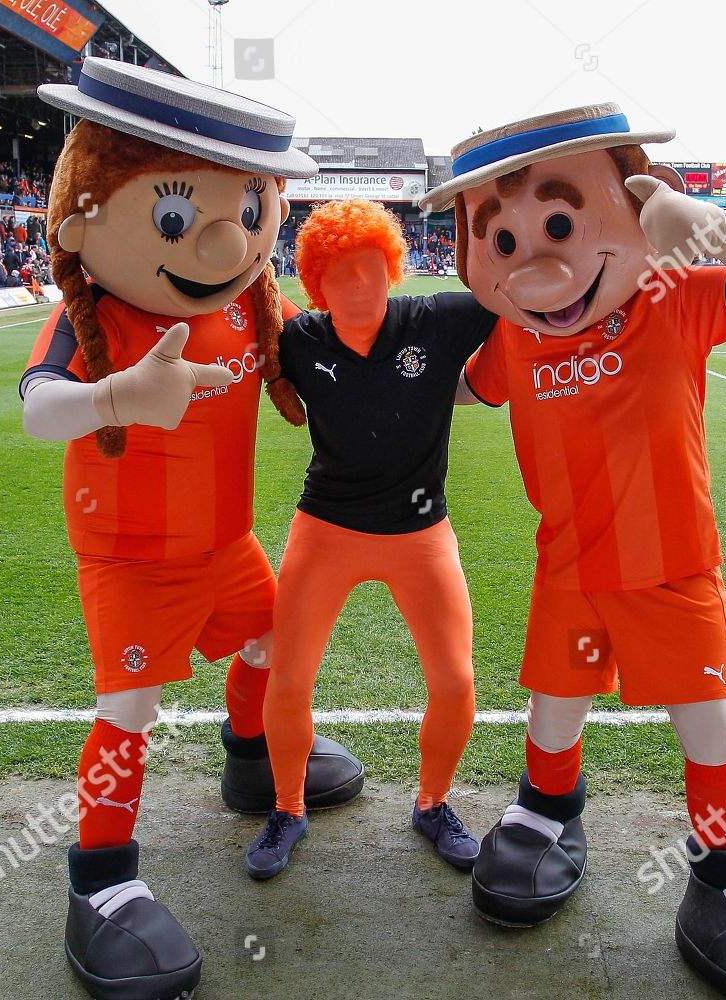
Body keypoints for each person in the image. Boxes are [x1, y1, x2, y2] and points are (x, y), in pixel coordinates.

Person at [430, 103, 726, 999]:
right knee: (555, 702)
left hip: (671, 558)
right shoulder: (515, 334)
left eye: (562, 224)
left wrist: (718, 232)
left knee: (705, 720)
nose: (538, 262)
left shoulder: (669, 298)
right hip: (568, 560)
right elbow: (462, 391)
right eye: (503, 238)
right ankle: (546, 815)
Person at [19, 59, 362, 1000]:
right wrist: (123, 395)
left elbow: (326, 364)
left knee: (273, 636)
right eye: (177, 218)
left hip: (225, 544)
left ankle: (250, 761)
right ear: (83, 218)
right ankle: (101, 881)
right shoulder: (97, 316)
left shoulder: (254, 306)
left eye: (250, 212)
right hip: (132, 557)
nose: (222, 241)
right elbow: (40, 410)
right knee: (129, 712)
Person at [245, 199, 492, 880]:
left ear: (393, 266)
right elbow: (247, 295)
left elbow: (506, 291)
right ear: (317, 284)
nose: (358, 284)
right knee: (289, 678)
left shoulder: (437, 322)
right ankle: (289, 808)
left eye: (370, 267)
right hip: (325, 528)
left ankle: (433, 803)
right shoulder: (300, 341)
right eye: (339, 273)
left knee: (456, 680)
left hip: (421, 530)